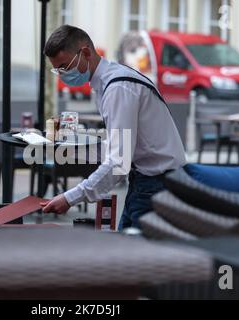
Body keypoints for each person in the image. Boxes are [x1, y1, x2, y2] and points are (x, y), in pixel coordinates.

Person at [41, 25, 186, 230]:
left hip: (156, 185)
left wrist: (70, 197)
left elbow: (119, 162)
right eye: (58, 70)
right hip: (150, 182)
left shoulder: (117, 88)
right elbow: (121, 147)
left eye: (65, 66)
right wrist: (77, 151)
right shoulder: (111, 81)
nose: (63, 75)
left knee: (136, 256)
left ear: (86, 53)